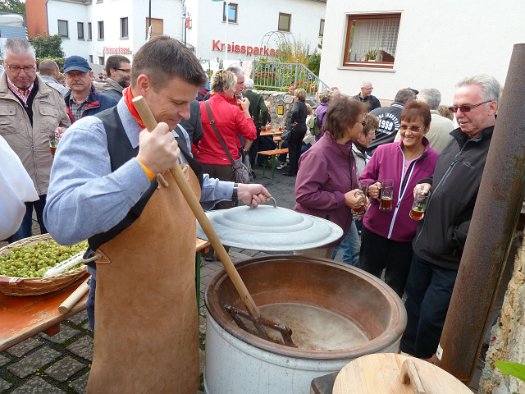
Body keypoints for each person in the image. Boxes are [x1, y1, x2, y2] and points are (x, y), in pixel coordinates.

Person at [44, 36, 270, 393]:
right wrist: (143, 167)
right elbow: (61, 222)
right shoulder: (93, 135)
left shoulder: (174, 131)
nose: (185, 114)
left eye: (190, 103)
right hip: (127, 303)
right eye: (179, 102)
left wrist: (235, 190)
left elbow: (189, 184)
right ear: (143, 85)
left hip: (176, 294)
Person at [400, 74, 500, 359]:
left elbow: (490, 215)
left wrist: (452, 237)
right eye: (455, 108)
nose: (458, 114)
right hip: (423, 248)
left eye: (466, 107)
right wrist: (428, 183)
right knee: (413, 308)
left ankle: (421, 370)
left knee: (432, 320)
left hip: (450, 258)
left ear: (491, 107)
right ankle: (403, 360)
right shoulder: (457, 140)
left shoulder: (497, 152)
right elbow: (441, 176)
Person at [358, 101, 439, 297]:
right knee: (365, 282)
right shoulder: (384, 151)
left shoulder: (436, 160)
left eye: (415, 128)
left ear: (426, 129)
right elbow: (363, 179)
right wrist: (371, 187)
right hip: (374, 229)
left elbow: (437, 195)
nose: (408, 133)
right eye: (404, 127)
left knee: (394, 288)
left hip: (406, 238)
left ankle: (387, 325)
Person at [0, 39, 70, 242]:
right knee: (20, 245)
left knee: (56, 242)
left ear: (35, 64)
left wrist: (63, 131)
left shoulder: (54, 94)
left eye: (28, 67)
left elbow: (66, 125)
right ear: (5, 65)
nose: (22, 73)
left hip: (50, 182)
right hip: (14, 186)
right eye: (15, 67)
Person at [294, 95, 368, 258]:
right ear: (347, 125)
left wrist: (357, 194)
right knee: (307, 280)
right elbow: (304, 194)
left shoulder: (345, 149)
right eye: (361, 122)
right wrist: (343, 199)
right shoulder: (318, 154)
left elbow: (342, 183)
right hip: (314, 235)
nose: (364, 127)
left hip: (330, 231)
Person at [196, 70, 257, 209]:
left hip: (203, 162)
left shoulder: (199, 107)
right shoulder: (234, 110)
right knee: (226, 205)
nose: (235, 89)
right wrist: (246, 110)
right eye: (233, 86)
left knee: (204, 205)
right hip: (226, 164)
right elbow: (251, 134)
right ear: (225, 88)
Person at [332, 113, 378, 265]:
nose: (375, 137)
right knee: (335, 250)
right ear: (360, 134)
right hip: (338, 210)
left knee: (350, 250)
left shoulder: (361, 153)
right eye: (372, 133)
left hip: (348, 210)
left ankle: (345, 279)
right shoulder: (348, 152)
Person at [0, 135, 39, 240]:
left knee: (52, 237)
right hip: (14, 191)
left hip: (45, 183)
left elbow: (64, 125)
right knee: (20, 240)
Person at [395, 88, 454, 153]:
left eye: (416, 99)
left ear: (419, 102)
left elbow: (396, 147)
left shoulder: (412, 120)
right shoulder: (450, 125)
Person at [63, 55, 118, 123]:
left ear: (91, 75)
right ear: (65, 77)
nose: (76, 79)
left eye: (81, 74)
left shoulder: (109, 104)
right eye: (71, 74)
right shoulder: (60, 104)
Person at [367, 88, 416, 154]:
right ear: (407, 101)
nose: (416, 103)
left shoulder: (375, 111)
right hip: (385, 156)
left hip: (365, 153)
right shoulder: (409, 118)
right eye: (414, 100)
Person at [244, 77, 269, 168]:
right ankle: (251, 167)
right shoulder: (258, 97)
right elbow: (265, 110)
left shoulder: (241, 95)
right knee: (254, 146)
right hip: (255, 125)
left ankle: (242, 166)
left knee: (243, 146)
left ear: (245, 86)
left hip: (242, 124)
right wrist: (263, 124)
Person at [284, 88, 308, 176]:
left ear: (297, 96)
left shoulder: (297, 104)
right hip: (302, 127)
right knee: (298, 149)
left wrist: (292, 122)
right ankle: (297, 169)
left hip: (296, 128)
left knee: (292, 150)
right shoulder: (304, 105)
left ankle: (291, 171)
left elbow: (294, 112)